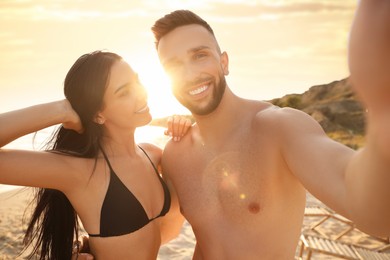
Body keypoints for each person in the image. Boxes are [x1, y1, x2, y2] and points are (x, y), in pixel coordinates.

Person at [76, 1, 390, 259]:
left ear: (224, 62)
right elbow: (169, 232)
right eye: (174, 65)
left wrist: (381, 109)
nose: (190, 74)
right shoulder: (176, 152)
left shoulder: (278, 127)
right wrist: (102, 250)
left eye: (200, 55)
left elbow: (371, 210)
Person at [0, 50, 191, 260]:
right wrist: (60, 109)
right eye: (123, 92)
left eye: (137, 81)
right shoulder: (81, 171)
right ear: (98, 114)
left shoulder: (152, 154)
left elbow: (165, 233)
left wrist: (184, 132)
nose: (141, 93)